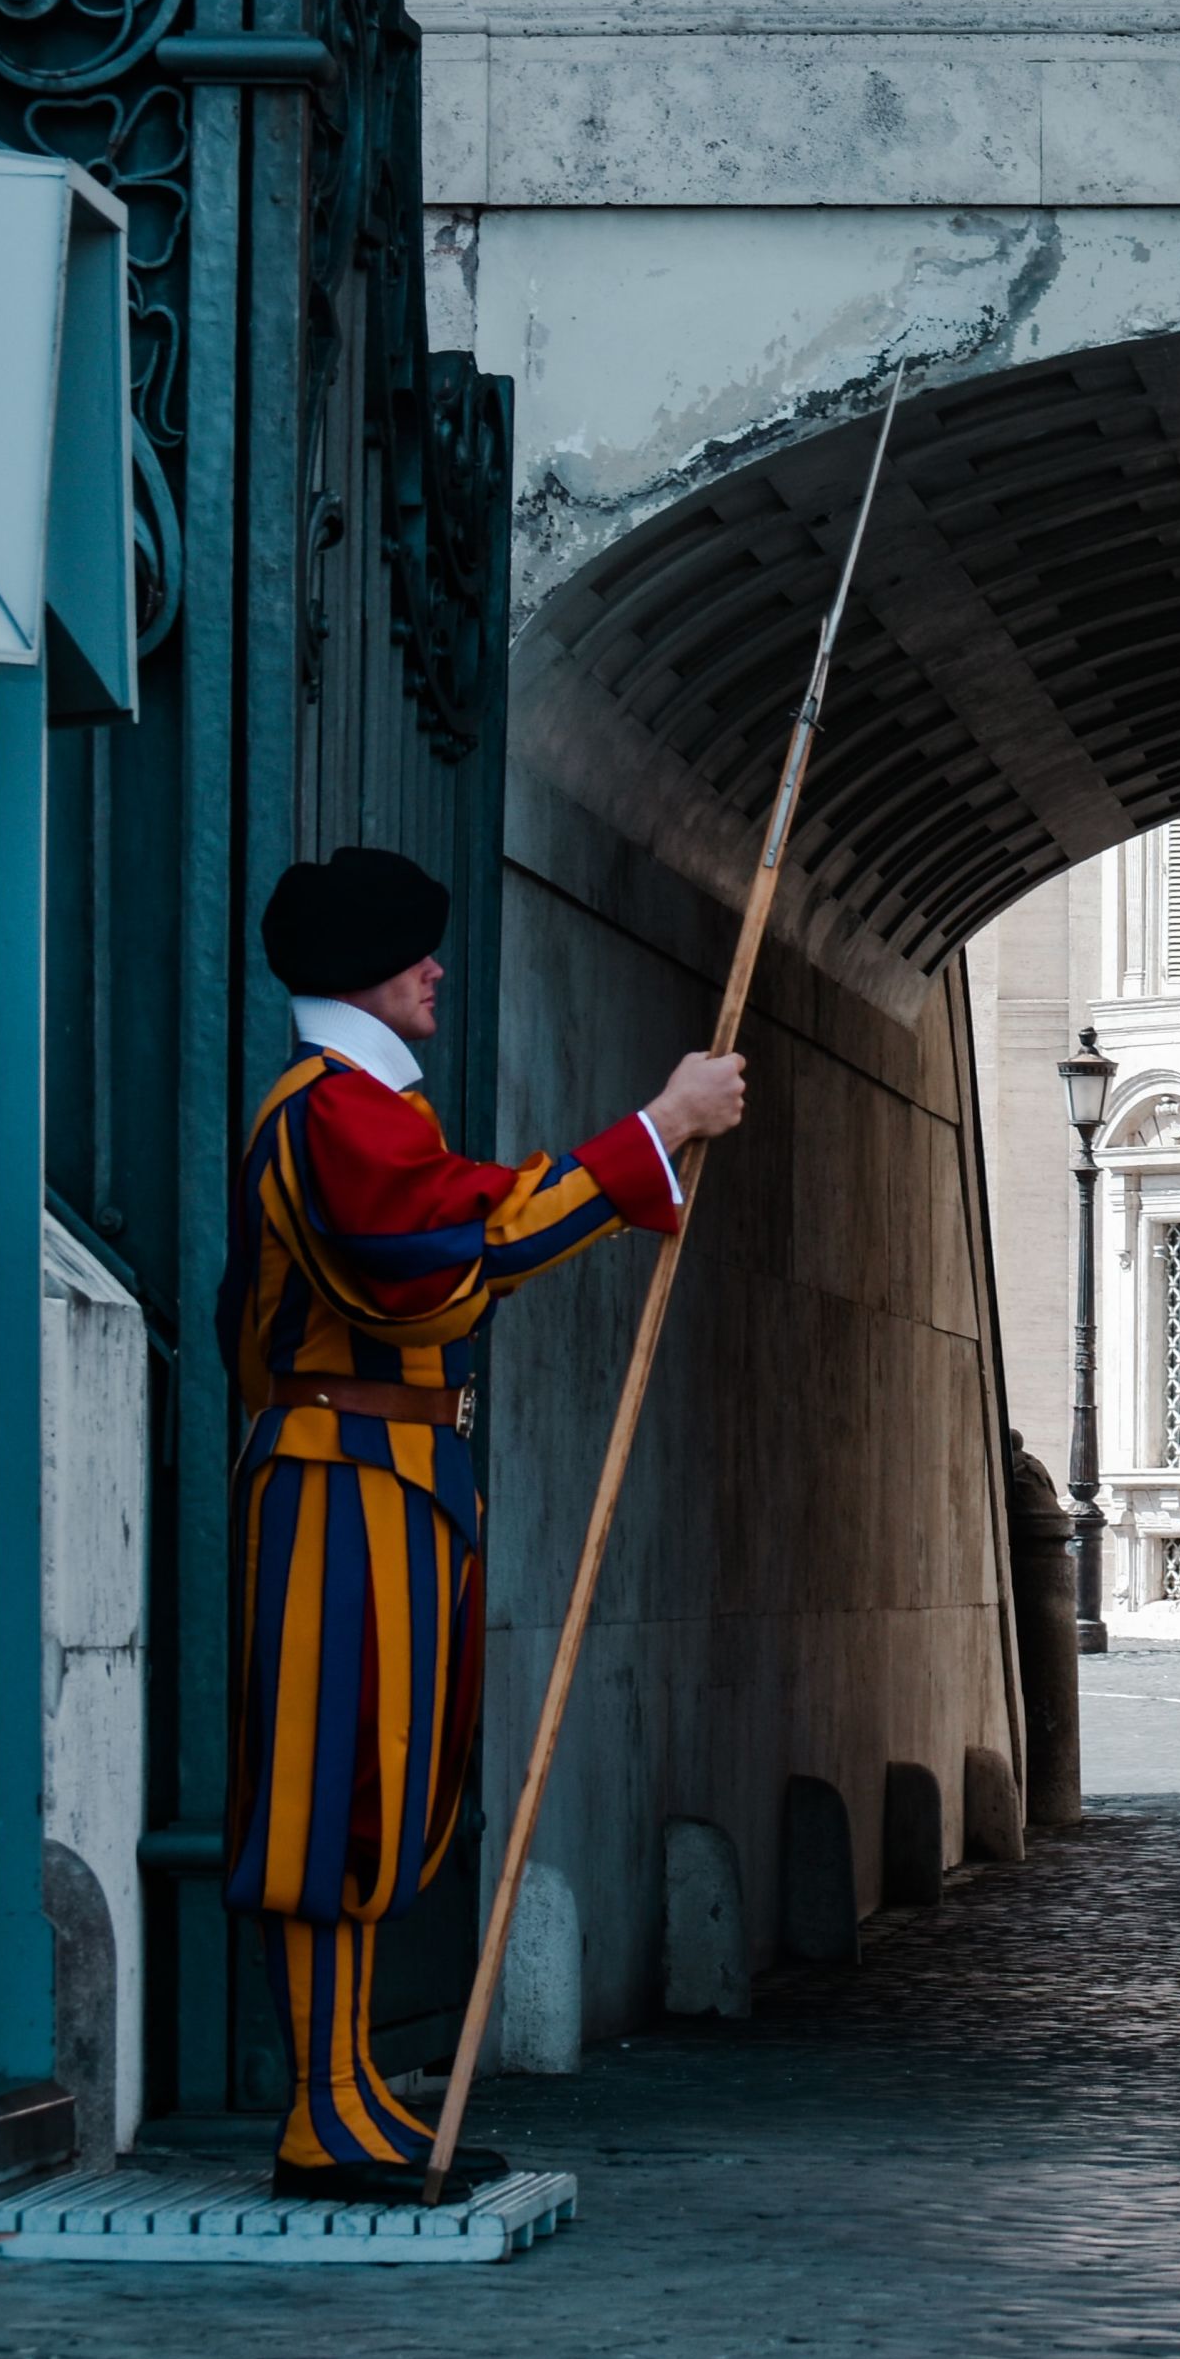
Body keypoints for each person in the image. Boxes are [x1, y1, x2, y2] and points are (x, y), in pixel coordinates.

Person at [216, 845, 747, 2202]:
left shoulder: (361, 1110)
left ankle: (345, 2097)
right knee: (331, 1795)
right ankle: (322, 2111)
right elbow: (451, 1253)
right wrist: (659, 1127)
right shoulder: (338, 1114)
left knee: (377, 1791)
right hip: (344, 1480)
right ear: (362, 974)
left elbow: (455, 1245)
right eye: (414, 953)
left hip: (386, 1481)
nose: (437, 970)